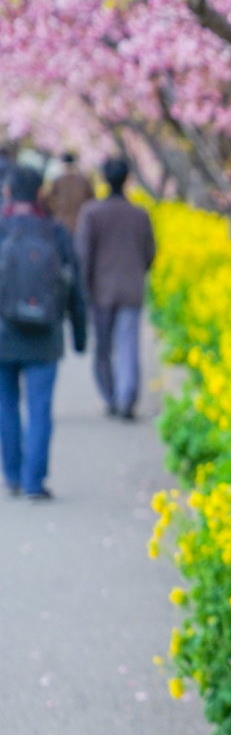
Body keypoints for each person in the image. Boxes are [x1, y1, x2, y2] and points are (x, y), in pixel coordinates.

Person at [0, 165, 88, 500]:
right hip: (45, 336)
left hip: (3, 336)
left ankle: (12, 476)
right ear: (40, 193)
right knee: (39, 409)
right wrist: (80, 336)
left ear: (7, 192)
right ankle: (34, 481)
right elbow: (75, 289)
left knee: (5, 407)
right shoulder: (55, 232)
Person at [75, 157, 155, 420]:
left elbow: (83, 255)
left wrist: (84, 288)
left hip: (100, 292)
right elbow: (150, 253)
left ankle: (110, 396)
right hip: (131, 289)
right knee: (128, 345)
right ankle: (126, 397)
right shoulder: (140, 214)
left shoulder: (91, 212)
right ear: (127, 179)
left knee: (103, 348)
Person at [44, 152, 94, 235]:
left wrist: (55, 211)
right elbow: (92, 199)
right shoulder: (83, 180)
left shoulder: (58, 180)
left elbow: (47, 199)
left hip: (61, 221)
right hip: (80, 221)